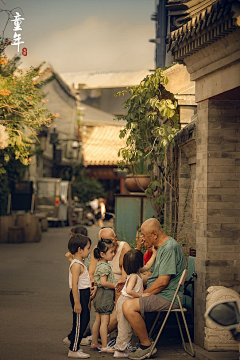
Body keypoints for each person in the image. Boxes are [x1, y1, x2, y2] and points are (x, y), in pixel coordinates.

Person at [123, 218, 187, 360]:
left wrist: (143, 294)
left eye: (144, 236)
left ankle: (146, 346)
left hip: (169, 297)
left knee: (127, 305)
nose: (143, 240)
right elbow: (153, 275)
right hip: (163, 293)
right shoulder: (162, 247)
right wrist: (127, 282)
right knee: (125, 296)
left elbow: (163, 282)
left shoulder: (169, 248)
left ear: (154, 234)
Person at [114, 248, 157, 358]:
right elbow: (129, 291)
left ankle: (126, 347)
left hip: (127, 300)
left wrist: (154, 253)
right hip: (124, 300)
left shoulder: (136, 273)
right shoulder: (134, 276)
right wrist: (141, 295)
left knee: (130, 326)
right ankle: (120, 350)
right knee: (124, 327)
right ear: (138, 264)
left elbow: (147, 266)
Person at [63, 234, 92, 359]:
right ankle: (73, 349)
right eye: (88, 248)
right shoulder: (76, 265)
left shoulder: (79, 262)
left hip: (83, 294)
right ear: (80, 250)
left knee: (84, 320)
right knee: (80, 321)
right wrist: (77, 302)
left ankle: (72, 339)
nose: (89, 251)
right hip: (79, 295)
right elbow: (74, 285)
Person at [91, 238, 116, 353]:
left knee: (98, 320)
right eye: (111, 252)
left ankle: (94, 342)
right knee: (104, 322)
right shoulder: (105, 266)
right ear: (102, 254)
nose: (113, 254)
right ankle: (105, 346)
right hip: (104, 296)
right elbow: (103, 282)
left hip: (99, 296)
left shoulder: (99, 264)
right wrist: (115, 285)